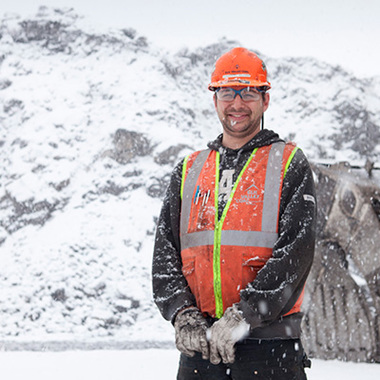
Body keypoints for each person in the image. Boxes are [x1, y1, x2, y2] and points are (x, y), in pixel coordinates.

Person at [152, 47, 316, 379]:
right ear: (215, 99)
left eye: (249, 92)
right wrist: (183, 313)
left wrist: (245, 315)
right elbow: (165, 254)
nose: (237, 103)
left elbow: (295, 254)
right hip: (201, 351)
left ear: (265, 100)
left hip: (269, 351)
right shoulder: (189, 170)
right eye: (228, 92)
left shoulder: (288, 164)